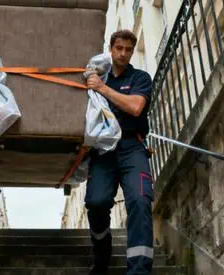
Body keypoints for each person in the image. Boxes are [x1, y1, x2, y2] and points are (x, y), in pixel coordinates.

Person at [84, 29, 155, 275]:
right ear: (110, 48)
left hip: (132, 147)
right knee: (96, 203)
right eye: (119, 48)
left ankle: (139, 270)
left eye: (128, 50)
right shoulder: (97, 75)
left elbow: (135, 107)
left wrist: (102, 89)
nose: (123, 53)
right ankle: (102, 254)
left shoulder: (140, 78)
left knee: (140, 201)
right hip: (103, 150)